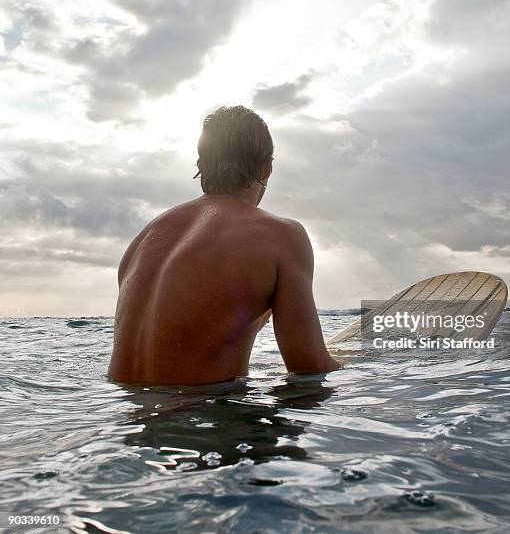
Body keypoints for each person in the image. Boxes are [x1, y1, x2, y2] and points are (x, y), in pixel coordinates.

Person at [108, 105, 340, 385]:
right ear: (267, 168)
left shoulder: (145, 239)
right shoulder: (281, 235)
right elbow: (309, 368)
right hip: (208, 421)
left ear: (201, 164)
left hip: (126, 418)